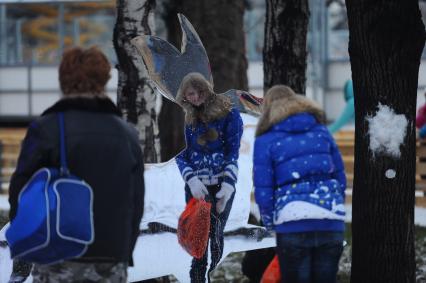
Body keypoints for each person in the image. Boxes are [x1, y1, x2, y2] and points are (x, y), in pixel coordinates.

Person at [8, 47, 145, 283]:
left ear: (64, 80)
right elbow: (136, 201)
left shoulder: (46, 128)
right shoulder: (127, 134)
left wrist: (25, 246)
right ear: (103, 79)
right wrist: (123, 252)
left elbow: (20, 192)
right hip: (111, 255)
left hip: (57, 251)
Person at [253, 85, 346, 283]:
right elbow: (340, 177)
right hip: (330, 221)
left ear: (268, 109)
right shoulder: (321, 131)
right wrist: (333, 206)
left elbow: (264, 189)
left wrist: (270, 223)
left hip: (291, 222)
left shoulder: (265, 140)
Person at [175, 72, 243, 283]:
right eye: (189, 95)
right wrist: (191, 180)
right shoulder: (188, 118)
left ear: (205, 90)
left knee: (215, 237)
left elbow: (233, 151)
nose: (193, 98)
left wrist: (229, 185)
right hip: (197, 188)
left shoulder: (228, 113)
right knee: (199, 241)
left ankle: (212, 273)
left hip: (222, 185)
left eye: (196, 93)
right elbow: (179, 153)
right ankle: (198, 278)